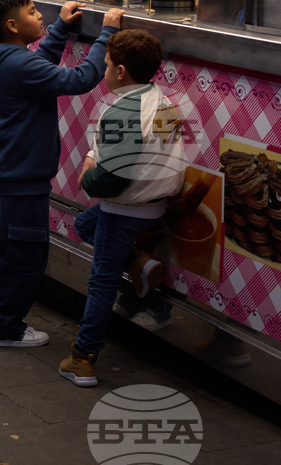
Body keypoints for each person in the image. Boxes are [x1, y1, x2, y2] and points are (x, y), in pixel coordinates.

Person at [0, 0, 121, 348]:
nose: (41, 15)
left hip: (4, 169)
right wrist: (107, 34)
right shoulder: (20, 62)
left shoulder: (2, 53)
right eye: (33, 12)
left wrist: (59, 30)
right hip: (24, 174)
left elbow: (38, 66)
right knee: (23, 254)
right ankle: (5, 328)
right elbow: (80, 79)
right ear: (12, 25)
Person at [59, 29, 186, 387]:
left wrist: (87, 176)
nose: (103, 71)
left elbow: (110, 180)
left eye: (106, 65)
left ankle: (83, 358)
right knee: (84, 225)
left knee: (100, 282)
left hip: (125, 209)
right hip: (156, 203)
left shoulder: (123, 112)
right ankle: (137, 264)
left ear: (120, 71)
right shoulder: (159, 97)